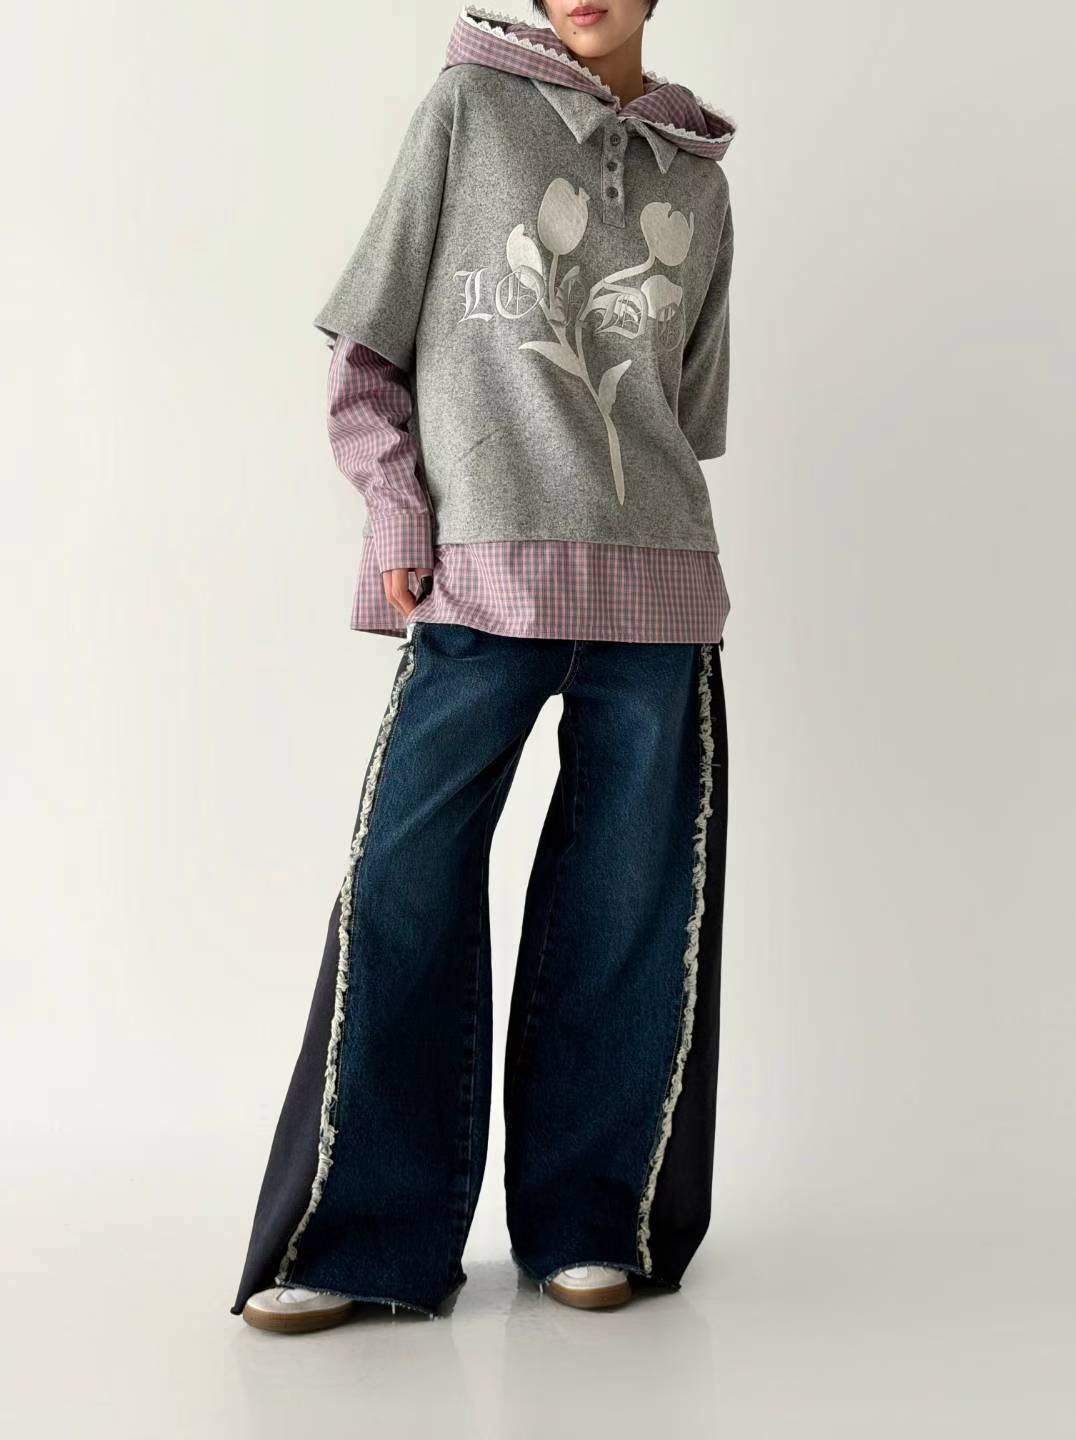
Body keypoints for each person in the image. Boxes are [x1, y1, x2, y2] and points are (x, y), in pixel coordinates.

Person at [231, 0, 736, 1333]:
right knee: (404, 885)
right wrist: (399, 511)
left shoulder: (698, 175)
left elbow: (684, 411)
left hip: (657, 586)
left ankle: (593, 1220)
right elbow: (368, 349)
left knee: (628, 910)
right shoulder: (468, 111)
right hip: (480, 578)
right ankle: (364, 1235)